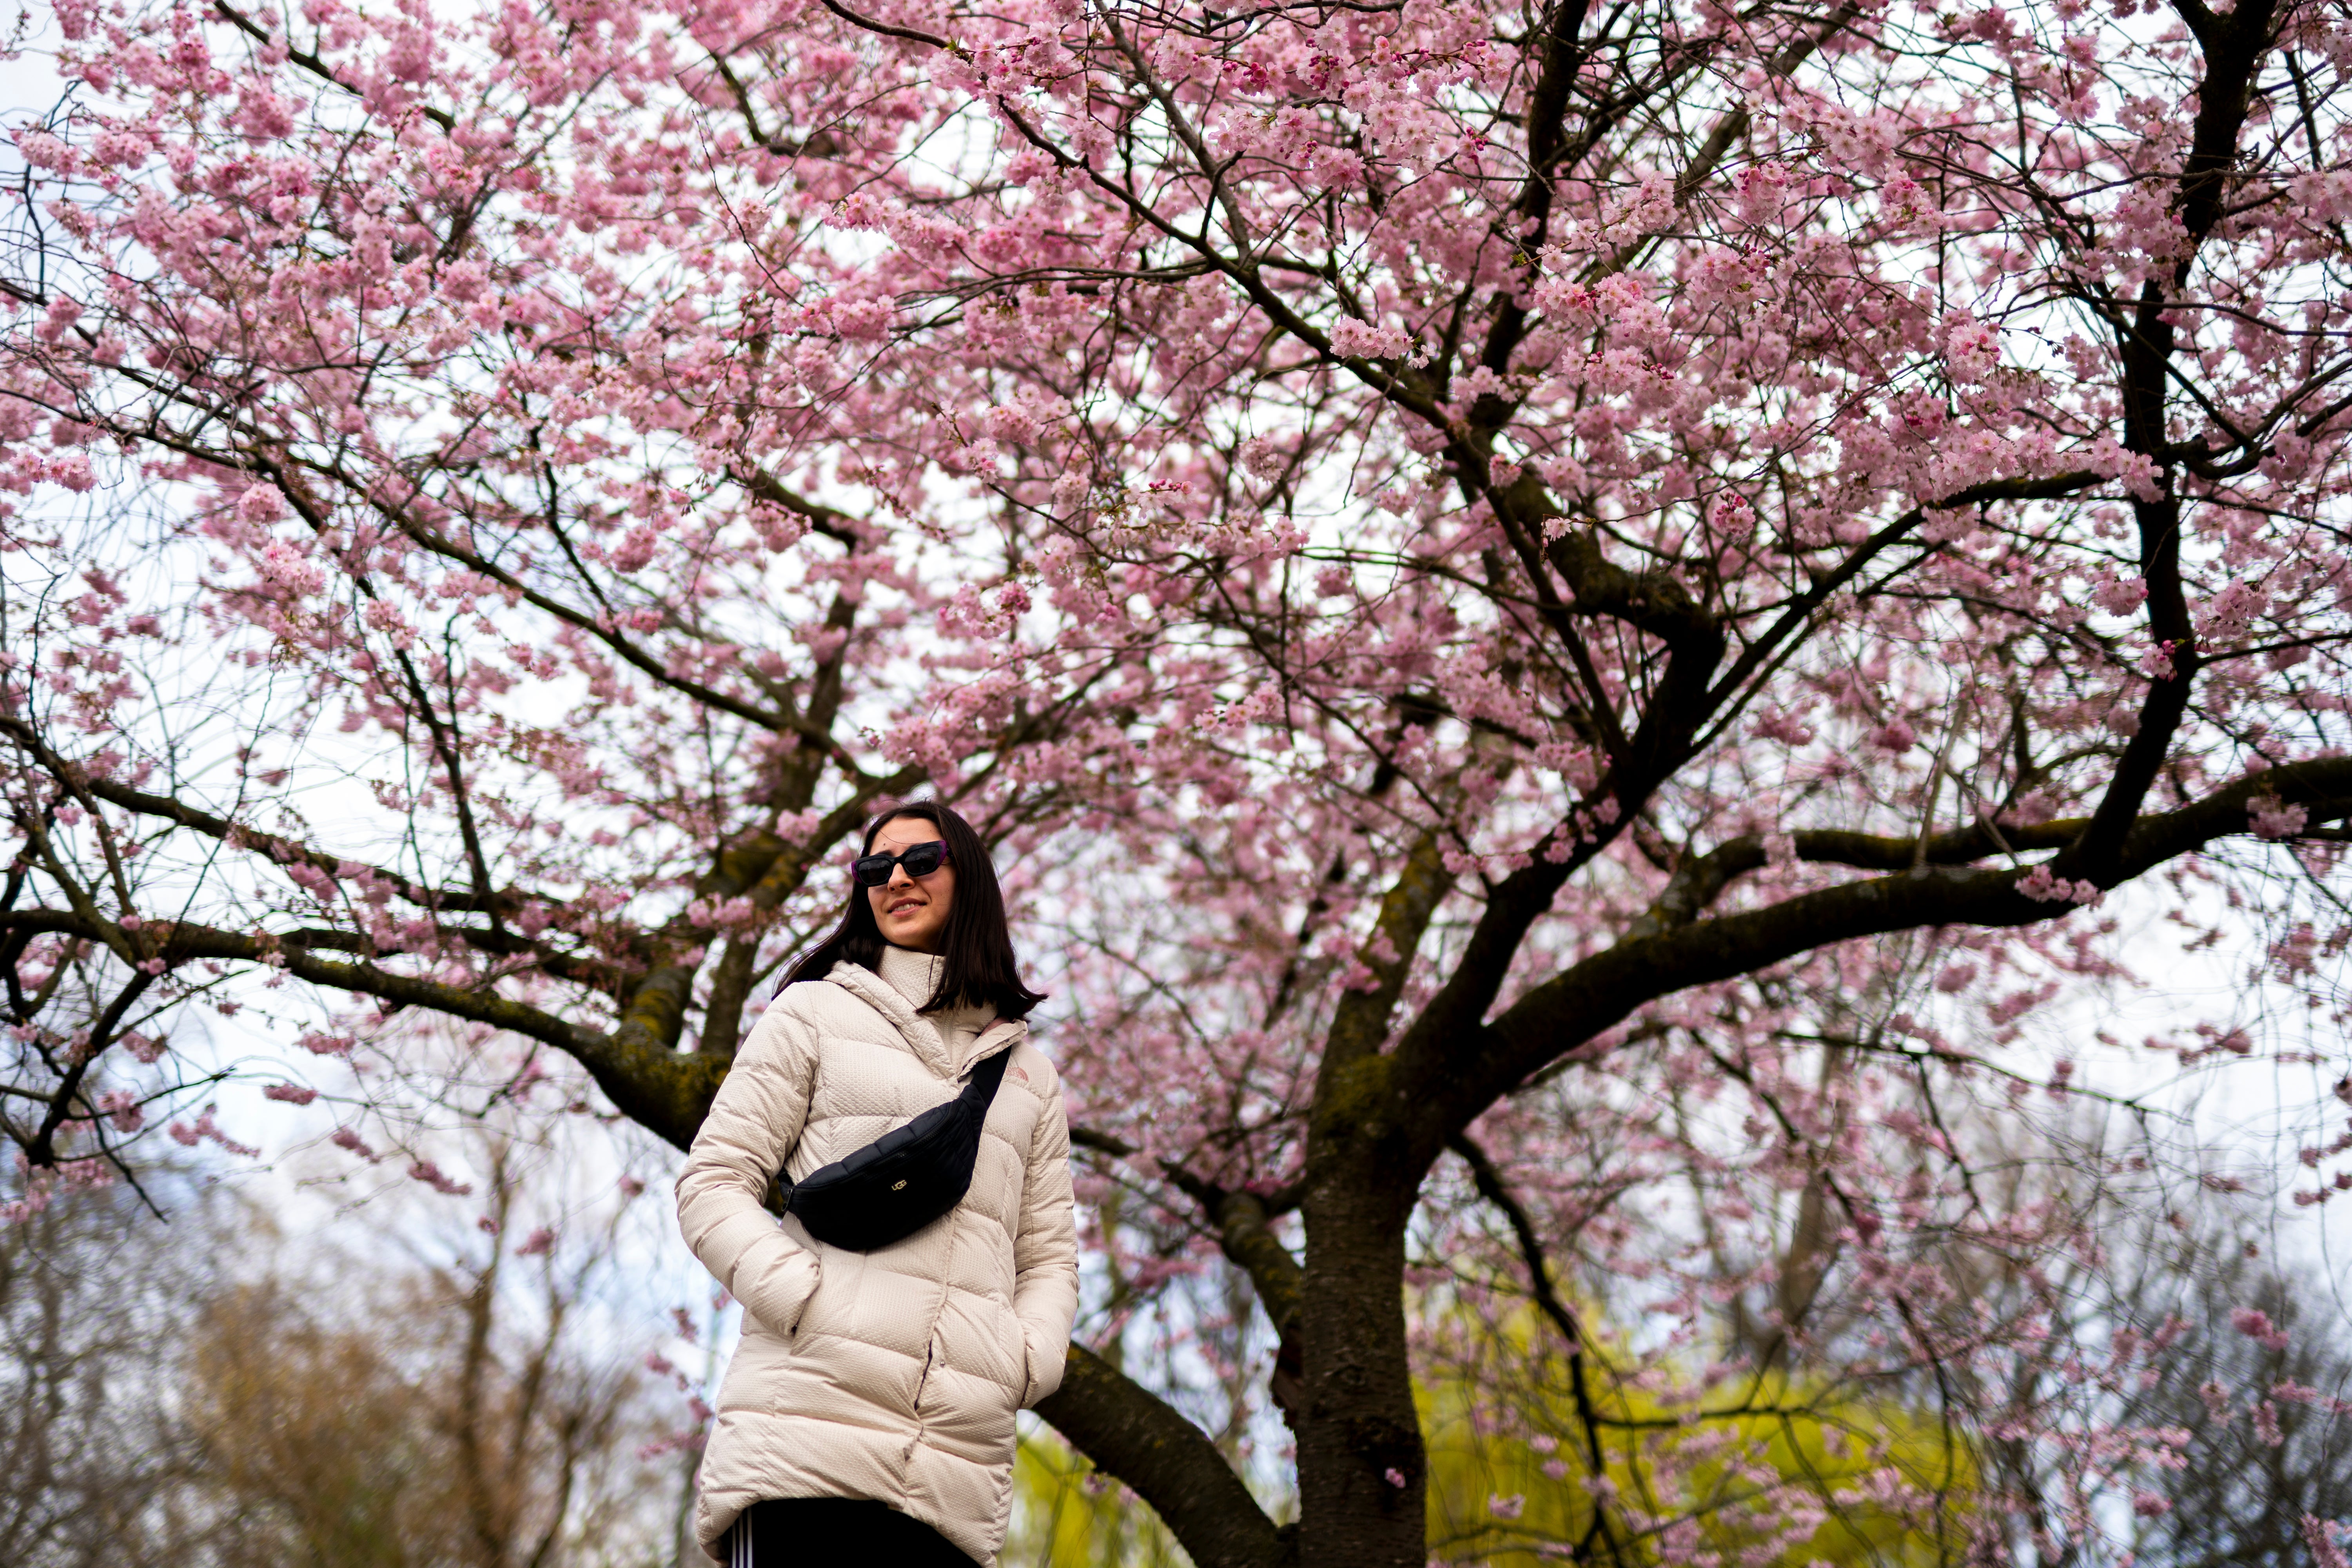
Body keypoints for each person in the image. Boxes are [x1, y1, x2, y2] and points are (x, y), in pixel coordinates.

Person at [676, 802, 1078, 1566]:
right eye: (874, 866)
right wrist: (806, 1298)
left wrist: (1025, 1359)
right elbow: (713, 1182)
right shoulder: (812, 1013)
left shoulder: (1030, 1075)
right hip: (802, 1441)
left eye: (921, 860)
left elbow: (1050, 1256)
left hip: (951, 1472)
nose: (894, 878)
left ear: (971, 880)